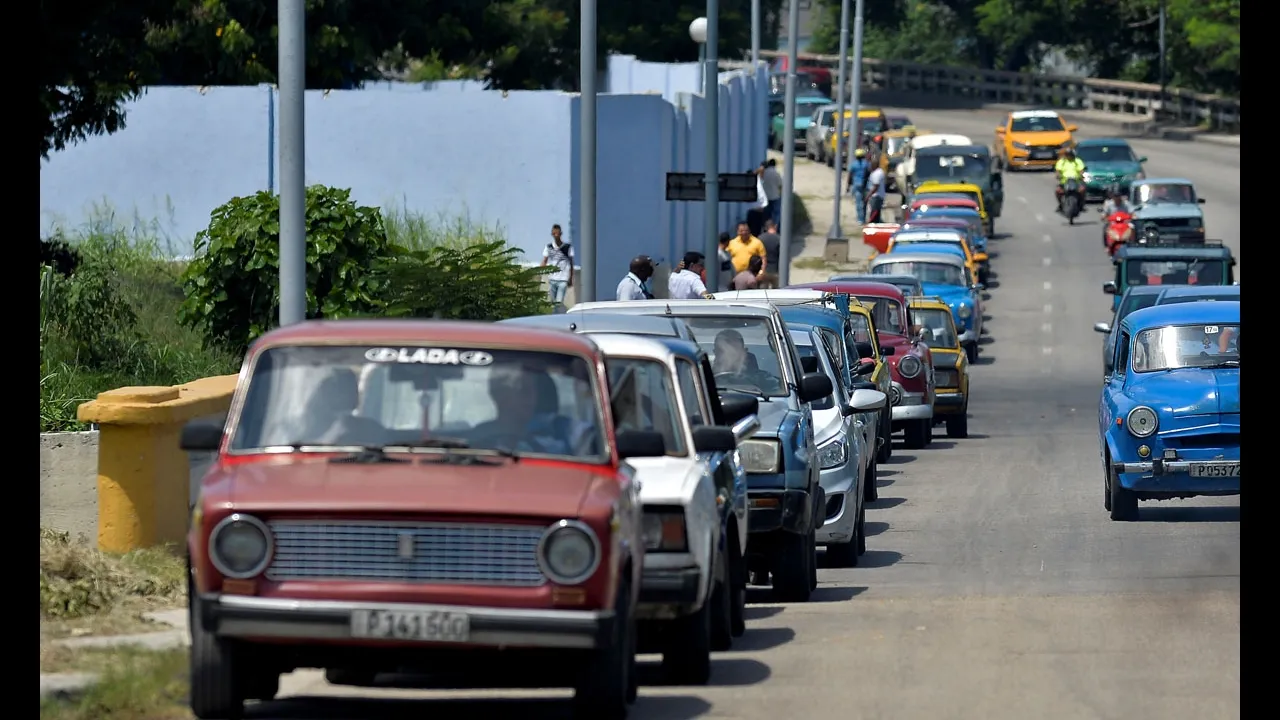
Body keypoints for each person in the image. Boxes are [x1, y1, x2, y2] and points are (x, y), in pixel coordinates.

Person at [540, 224, 573, 307]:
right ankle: (556, 313)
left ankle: (558, 313)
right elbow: (544, 261)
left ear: (560, 234)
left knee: (558, 303)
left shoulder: (567, 247)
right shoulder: (549, 247)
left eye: (557, 233)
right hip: (552, 279)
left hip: (563, 279)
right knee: (553, 303)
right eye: (554, 233)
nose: (556, 235)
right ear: (552, 234)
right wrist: (538, 272)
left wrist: (570, 278)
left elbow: (571, 263)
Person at [1053, 147, 1086, 213]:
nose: (1069, 156)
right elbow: (1058, 170)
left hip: (1076, 181)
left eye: (1070, 154)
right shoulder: (1062, 161)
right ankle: (1060, 205)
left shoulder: (1077, 161)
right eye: (1067, 154)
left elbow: (1081, 169)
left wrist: (1081, 175)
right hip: (1064, 181)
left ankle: (1081, 204)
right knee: (1058, 191)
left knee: (1082, 190)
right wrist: (1058, 175)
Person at [847, 148, 871, 224]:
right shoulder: (866, 164)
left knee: (858, 203)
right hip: (865, 185)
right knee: (865, 202)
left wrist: (848, 186)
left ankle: (860, 219)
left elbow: (850, 176)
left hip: (857, 185)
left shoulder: (853, 164)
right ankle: (864, 217)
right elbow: (869, 173)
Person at [757, 219, 781, 288]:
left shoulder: (760, 238)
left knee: (763, 291)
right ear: (775, 226)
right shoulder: (779, 238)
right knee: (776, 292)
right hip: (775, 270)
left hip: (763, 270)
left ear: (765, 228)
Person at [745, 166, 768, 237]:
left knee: (759, 231)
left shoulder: (758, 180)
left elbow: (762, 169)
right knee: (752, 232)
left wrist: (754, 174)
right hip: (753, 211)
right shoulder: (746, 184)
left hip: (760, 211)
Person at [762, 159, 784, 227]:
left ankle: (766, 226)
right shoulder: (776, 173)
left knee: (766, 213)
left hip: (766, 196)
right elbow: (780, 185)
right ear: (775, 165)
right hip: (775, 196)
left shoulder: (764, 173)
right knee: (776, 213)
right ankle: (775, 226)